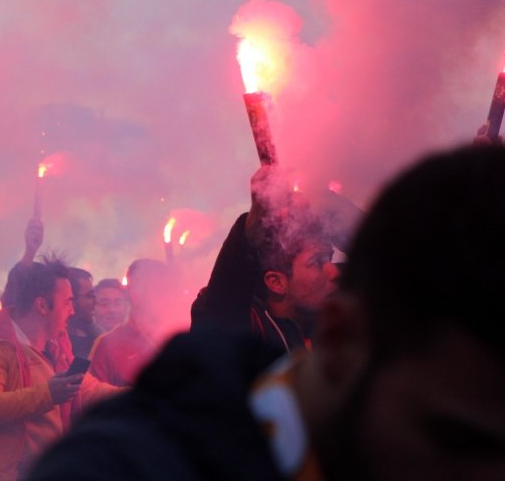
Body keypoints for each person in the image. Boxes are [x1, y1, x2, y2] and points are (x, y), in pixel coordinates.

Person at [28, 144, 505, 480]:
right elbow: (220, 315)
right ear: (346, 341)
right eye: (457, 437)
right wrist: (260, 219)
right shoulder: (147, 454)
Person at [0, 258, 119, 481]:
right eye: (67, 302)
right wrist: (48, 394)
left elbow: (87, 389)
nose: (72, 311)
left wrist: (146, 394)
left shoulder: (55, 344)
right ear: (42, 306)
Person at [190, 166, 352, 351]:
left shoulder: (336, 313)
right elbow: (216, 318)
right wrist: (253, 227)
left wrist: (326, 202)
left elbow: (383, 259)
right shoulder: (250, 333)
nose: (333, 270)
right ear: (276, 282)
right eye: (316, 262)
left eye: (328, 258)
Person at [88, 258, 170, 386]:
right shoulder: (107, 345)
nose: (165, 296)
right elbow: (94, 399)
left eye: (166, 288)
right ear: (133, 292)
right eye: (156, 288)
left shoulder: (181, 332)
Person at [66, 267, 101, 358]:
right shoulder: (55, 345)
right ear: (71, 299)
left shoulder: (96, 336)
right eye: (89, 296)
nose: (96, 302)